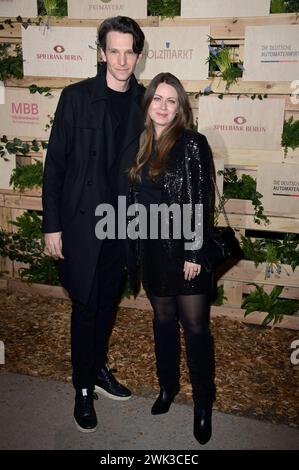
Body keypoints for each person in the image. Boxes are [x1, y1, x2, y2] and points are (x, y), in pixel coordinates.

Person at [42, 16, 145, 433]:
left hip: (123, 227)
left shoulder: (147, 101)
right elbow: (55, 167)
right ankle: (82, 387)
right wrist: (52, 226)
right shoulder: (75, 98)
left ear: (138, 54)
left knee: (106, 305)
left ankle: (97, 368)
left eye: (129, 51)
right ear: (102, 53)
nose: (122, 60)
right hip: (82, 227)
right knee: (85, 307)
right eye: (113, 51)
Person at [129, 73, 216, 445]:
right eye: (157, 99)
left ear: (180, 108)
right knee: (162, 321)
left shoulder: (193, 143)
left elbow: (200, 200)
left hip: (185, 255)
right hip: (151, 251)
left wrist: (195, 251)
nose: (163, 107)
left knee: (195, 328)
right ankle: (167, 387)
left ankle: (203, 403)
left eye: (171, 101)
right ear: (148, 103)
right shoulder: (141, 144)